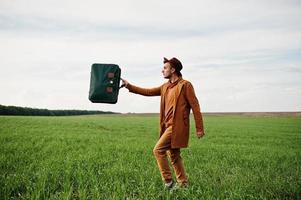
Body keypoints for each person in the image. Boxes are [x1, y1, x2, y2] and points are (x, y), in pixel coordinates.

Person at [121, 57, 205, 189]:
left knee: (158, 150)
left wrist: (199, 128)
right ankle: (183, 184)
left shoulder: (185, 85)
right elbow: (148, 91)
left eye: (165, 68)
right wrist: (129, 86)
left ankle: (169, 183)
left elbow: (195, 107)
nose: (162, 71)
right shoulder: (165, 87)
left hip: (177, 127)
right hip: (167, 127)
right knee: (174, 155)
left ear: (173, 69)